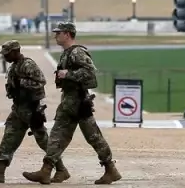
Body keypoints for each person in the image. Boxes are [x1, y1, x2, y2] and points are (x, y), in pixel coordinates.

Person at [23, 22, 120, 185]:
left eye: (58, 33)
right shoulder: (67, 53)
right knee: (57, 135)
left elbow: (91, 75)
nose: (55, 36)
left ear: (67, 34)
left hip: (79, 101)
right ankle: (46, 171)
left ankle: (111, 169)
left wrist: (68, 74)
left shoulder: (77, 53)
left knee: (93, 137)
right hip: (69, 101)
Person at [0, 41, 70, 183]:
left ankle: (61, 169)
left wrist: (20, 82)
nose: (5, 57)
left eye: (7, 54)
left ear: (16, 51)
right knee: (9, 137)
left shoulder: (28, 64)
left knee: (43, 140)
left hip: (32, 109)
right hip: (18, 109)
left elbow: (41, 81)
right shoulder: (15, 66)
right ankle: (0, 171)